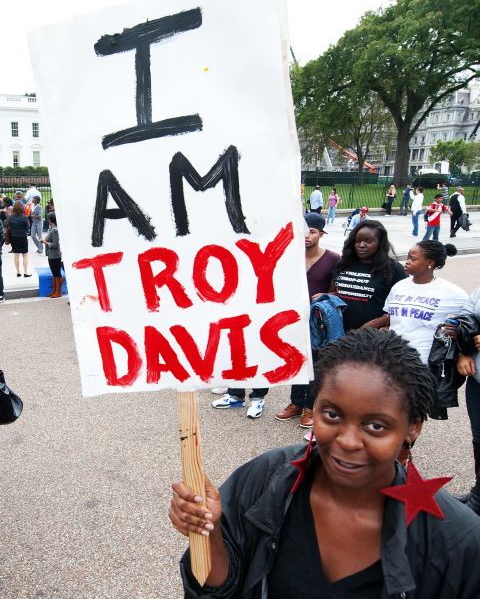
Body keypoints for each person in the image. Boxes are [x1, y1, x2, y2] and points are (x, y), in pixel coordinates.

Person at [171, 328, 480, 599]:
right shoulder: (265, 480)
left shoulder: (456, 541)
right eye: (332, 415)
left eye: (375, 426)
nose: (347, 441)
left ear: (412, 426)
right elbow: (218, 589)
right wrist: (208, 533)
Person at [275, 212, 340, 427]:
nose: (306, 236)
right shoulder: (290, 255)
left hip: (317, 321)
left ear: (321, 234)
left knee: (316, 363)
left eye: (311, 232)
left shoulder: (332, 259)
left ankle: (310, 407)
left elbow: (337, 291)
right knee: (296, 360)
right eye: (303, 231)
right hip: (293, 318)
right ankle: (295, 402)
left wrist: (327, 296)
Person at [385, 241, 466, 365]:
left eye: (413, 259)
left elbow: (472, 316)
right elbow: (390, 317)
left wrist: (458, 331)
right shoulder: (399, 286)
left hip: (423, 363)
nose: (407, 261)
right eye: (407, 257)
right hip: (391, 358)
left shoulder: (450, 291)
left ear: (430, 263)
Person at [333, 219, 407, 331]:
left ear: (380, 242)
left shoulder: (394, 269)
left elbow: (404, 306)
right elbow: (336, 291)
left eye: (368, 241)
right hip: (337, 333)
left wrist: (380, 322)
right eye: (357, 241)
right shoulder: (343, 264)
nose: (361, 245)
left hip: (372, 337)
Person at [456, 287, 480, 514]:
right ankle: (479, 494)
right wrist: (465, 350)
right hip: (478, 381)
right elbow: (465, 317)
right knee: (479, 437)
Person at [40, 212, 63, 298]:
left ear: (50, 220)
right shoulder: (53, 229)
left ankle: (58, 292)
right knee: (54, 273)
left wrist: (45, 242)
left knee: (57, 273)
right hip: (51, 255)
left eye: (48, 218)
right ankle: (55, 291)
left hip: (55, 255)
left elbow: (55, 245)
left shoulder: (54, 230)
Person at [7, 201, 31, 277]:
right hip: (22, 237)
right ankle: (25, 272)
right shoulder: (24, 217)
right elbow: (28, 229)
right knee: (25, 255)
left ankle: (18, 272)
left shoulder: (10, 217)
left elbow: (8, 227)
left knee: (16, 255)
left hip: (14, 237)